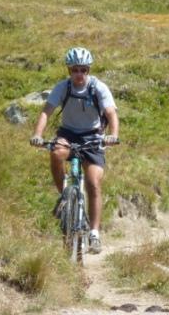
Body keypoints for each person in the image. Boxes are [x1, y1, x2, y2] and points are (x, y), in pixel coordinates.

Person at [30, 47, 119, 254]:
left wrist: (112, 135)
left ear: (88, 70)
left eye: (83, 70)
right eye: (75, 70)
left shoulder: (98, 88)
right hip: (68, 134)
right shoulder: (63, 87)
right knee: (56, 152)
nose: (79, 74)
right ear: (69, 70)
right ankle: (64, 196)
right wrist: (37, 135)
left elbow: (111, 114)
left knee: (94, 182)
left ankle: (94, 233)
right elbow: (47, 112)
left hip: (93, 137)